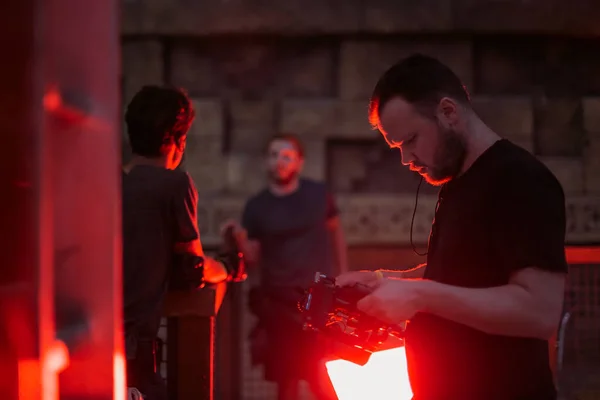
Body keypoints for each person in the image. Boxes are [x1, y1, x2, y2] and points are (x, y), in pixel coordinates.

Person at [336, 54, 568, 400]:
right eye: (397, 147)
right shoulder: (458, 182)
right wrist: (386, 281)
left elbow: (539, 311)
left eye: (411, 140)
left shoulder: (521, 179)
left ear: (448, 112)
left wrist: (419, 295)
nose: (406, 160)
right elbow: (460, 274)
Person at [122, 85, 228, 400]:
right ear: (177, 140)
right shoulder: (174, 184)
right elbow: (193, 268)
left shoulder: (111, 181)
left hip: (95, 342)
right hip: (135, 347)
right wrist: (225, 268)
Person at [224, 133, 347, 400]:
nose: (280, 161)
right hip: (278, 302)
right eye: (273, 155)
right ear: (266, 161)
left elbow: (335, 233)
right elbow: (253, 258)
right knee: (286, 376)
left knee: (320, 373)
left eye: (286, 156)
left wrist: (343, 274)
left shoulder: (318, 194)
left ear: (299, 162)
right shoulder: (257, 206)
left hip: (317, 299)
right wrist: (238, 238)